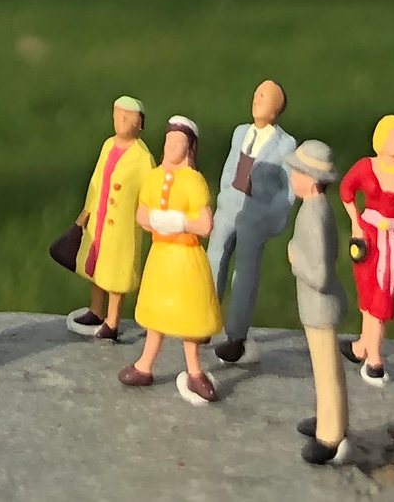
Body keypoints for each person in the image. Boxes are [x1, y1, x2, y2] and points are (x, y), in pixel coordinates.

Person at [120, 115, 223, 405]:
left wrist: (178, 222)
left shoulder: (193, 181)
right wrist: (154, 220)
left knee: (188, 318)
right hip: (161, 256)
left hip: (185, 258)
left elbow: (204, 225)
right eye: (168, 141)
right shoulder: (153, 177)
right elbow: (141, 214)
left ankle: (195, 371)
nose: (171, 147)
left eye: (178, 142)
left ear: (189, 148)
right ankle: (145, 365)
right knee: (157, 315)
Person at [209, 77, 297, 363]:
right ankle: (203, 318)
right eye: (256, 93)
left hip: (255, 214)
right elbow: (229, 166)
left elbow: (289, 190)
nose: (256, 99)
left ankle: (235, 336)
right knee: (214, 260)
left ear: (276, 109)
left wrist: (269, 217)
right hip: (229, 206)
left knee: (245, 274)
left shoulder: (285, 144)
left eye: (264, 96)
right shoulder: (240, 132)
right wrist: (223, 196)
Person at [340, 115, 394, 384]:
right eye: (392, 136)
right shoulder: (367, 166)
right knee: (366, 295)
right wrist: (355, 222)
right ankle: (362, 347)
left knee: (381, 297)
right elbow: (346, 190)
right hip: (366, 238)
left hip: (390, 242)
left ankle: (375, 360)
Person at [65, 95, 152, 341]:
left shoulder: (142, 158)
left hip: (122, 226)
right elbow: (96, 181)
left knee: (117, 273)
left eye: (127, 117)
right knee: (97, 266)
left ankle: (112, 322)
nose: (120, 121)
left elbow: (149, 191)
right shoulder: (108, 145)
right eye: (117, 115)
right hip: (100, 219)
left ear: (139, 124)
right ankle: (95, 309)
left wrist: (149, 217)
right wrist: (86, 212)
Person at [286, 137, 351, 466]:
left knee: (327, 372)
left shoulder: (314, 215)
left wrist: (295, 259)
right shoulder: (314, 210)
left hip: (319, 306)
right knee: (326, 369)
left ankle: (330, 433)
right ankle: (330, 420)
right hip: (316, 307)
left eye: (297, 172)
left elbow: (322, 274)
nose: (292, 177)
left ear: (312, 180)